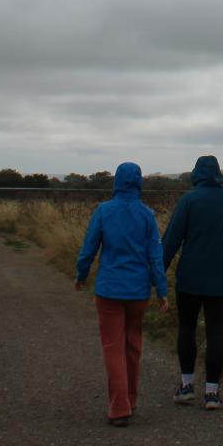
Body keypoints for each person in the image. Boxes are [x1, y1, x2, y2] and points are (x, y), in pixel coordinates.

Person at [74, 161, 169, 426]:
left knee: (112, 346)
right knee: (133, 345)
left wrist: (81, 275)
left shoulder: (104, 211)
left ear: (116, 181)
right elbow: (156, 257)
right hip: (138, 291)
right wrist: (162, 291)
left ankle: (119, 408)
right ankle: (131, 399)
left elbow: (89, 248)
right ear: (139, 182)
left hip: (109, 290)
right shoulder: (147, 215)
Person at [160, 154, 223, 410]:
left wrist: (157, 274)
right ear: (218, 174)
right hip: (221, 280)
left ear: (196, 174)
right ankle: (212, 392)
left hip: (189, 278)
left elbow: (171, 241)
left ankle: (186, 386)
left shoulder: (188, 201)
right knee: (216, 333)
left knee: (187, 329)